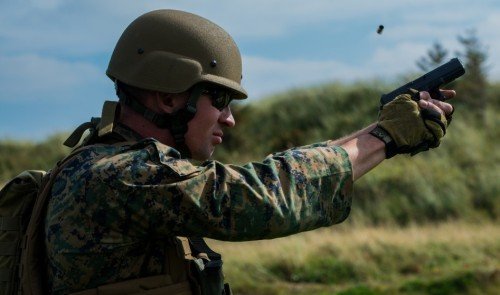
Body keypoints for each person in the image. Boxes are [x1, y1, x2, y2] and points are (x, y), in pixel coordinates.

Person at [38, 9, 455, 295]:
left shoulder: (101, 163)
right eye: (220, 100)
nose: (229, 119)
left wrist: (382, 132)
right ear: (168, 97)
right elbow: (266, 197)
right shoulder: (124, 175)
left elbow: (281, 177)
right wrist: (384, 138)